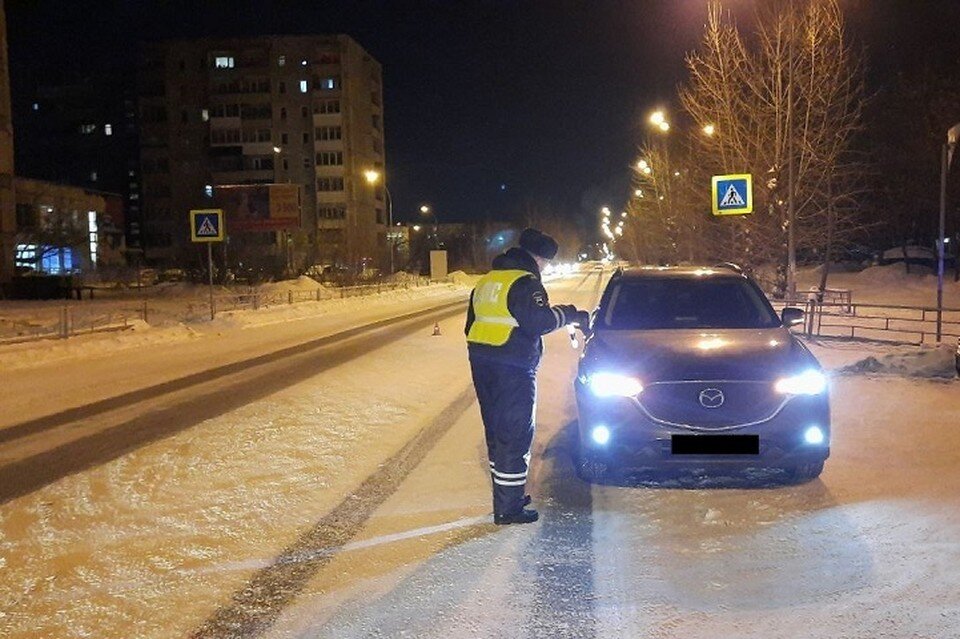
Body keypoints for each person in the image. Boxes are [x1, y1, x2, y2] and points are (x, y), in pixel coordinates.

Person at [465, 228, 589, 525]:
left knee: (497, 431)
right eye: (546, 262)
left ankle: (508, 495)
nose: (545, 267)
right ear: (539, 257)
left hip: (482, 362)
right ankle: (509, 509)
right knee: (516, 433)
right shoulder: (525, 282)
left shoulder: (487, 280)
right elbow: (538, 322)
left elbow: (470, 324)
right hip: (512, 367)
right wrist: (570, 314)